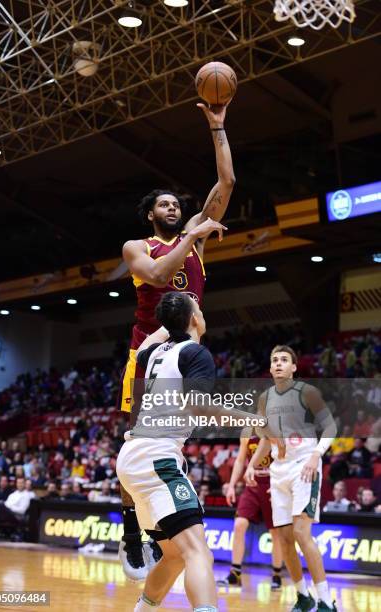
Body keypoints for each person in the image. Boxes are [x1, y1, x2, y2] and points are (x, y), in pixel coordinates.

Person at [118, 101, 235, 580]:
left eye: (177, 205)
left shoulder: (195, 236)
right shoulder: (138, 247)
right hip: (146, 351)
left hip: (188, 347)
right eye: (164, 205)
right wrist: (194, 234)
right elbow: (160, 273)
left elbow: (226, 184)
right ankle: (132, 531)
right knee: (133, 439)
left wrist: (217, 125)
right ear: (150, 215)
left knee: (180, 432)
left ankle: (167, 521)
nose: (174, 208)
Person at [116, 292, 221, 612]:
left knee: (174, 555)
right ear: (193, 319)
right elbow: (200, 406)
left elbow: (155, 334)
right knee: (198, 553)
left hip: (132, 456)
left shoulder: (149, 354)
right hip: (157, 457)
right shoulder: (196, 354)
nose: (202, 313)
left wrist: (178, 305)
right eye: (199, 310)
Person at [246, 345, 338, 612]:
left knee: (301, 533)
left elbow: (331, 427)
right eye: (274, 360)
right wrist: (252, 464)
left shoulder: (307, 392)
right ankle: (303, 596)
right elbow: (266, 437)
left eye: (284, 360)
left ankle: (326, 601)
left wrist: (316, 455)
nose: (278, 363)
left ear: (294, 367)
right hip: (279, 471)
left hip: (304, 467)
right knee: (284, 538)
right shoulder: (265, 398)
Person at [218, 435, 283, 589]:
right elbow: (240, 460)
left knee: (275, 533)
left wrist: (280, 483)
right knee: (239, 524)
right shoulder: (247, 432)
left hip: (272, 484)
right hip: (252, 485)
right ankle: (235, 573)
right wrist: (232, 485)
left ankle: (276, 575)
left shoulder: (274, 428)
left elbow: (283, 457)